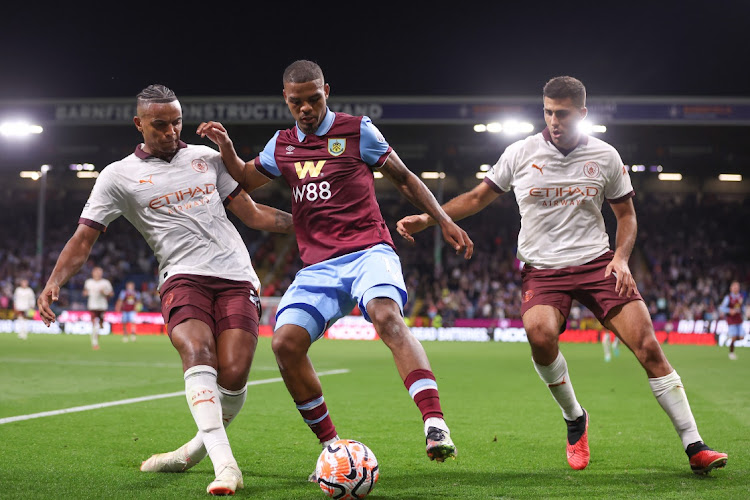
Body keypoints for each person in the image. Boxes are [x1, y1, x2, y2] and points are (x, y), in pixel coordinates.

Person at [396, 76, 728, 475]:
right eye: (548, 112)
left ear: (582, 113)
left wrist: (621, 259)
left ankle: (695, 446)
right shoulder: (520, 152)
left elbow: (626, 216)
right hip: (544, 271)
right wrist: (429, 218)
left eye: (563, 113)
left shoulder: (605, 156)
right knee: (539, 336)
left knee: (649, 347)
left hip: (598, 264)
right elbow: (476, 198)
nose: (554, 120)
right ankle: (575, 418)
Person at [196, 59, 474, 477]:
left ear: (327, 91)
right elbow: (246, 179)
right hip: (316, 269)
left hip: (369, 252)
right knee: (284, 345)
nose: (305, 109)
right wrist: (227, 148)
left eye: (313, 99)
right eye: (296, 102)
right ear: (285, 100)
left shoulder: (358, 130)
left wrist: (444, 219)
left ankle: (434, 422)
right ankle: (332, 449)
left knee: (386, 317)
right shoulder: (281, 144)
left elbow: (404, 177)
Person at [37, 84, 294, 496]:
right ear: (139, 123)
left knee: (234, 376)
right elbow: (83, 239)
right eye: (160, 125)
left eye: (176, 122)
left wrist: (308, 222)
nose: (171, 131)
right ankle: (227, 467)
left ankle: (191, 453)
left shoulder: (207, 159)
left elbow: (254, 214)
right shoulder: (117, 176)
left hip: (236, 275)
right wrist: (54, 281)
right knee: (197, 352)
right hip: (182, 276)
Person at [82, 266, 114, 350]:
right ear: (93, 273)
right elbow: (85, 291)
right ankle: (94, 343)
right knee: (94, 324)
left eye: (99, 272)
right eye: (96, 272)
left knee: (100, 325)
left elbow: (111, 294)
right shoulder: (88, 282)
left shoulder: (105, 282)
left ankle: (97, 332)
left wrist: (104, 292)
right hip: (92, 306)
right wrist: (85, 293)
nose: (98, 274)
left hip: (102, 306)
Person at [719, 281, 745, 360]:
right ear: (731, 288)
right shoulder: (728, 298)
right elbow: (721, 307)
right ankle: (731, 353)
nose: (736, 288)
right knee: (734, 338)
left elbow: (740, 308)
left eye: (737, 287)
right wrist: (730, 310)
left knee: (741, 337)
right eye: (735, 287)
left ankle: (729, 337)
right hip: (731, 320)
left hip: (739, 319)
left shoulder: (740, 297)